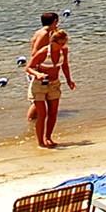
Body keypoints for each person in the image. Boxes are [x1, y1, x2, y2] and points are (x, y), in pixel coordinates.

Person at [25, 11, 76, 150]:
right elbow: (32, 58)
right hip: (39, 79)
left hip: (54, 83)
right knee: (41, 111)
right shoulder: (43, 37)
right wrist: (38, 73)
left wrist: (69, 80)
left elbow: (65, 65)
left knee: (52, 113)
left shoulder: (62, 49)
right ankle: (39, 138)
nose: (63, 46)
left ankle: (47, 137)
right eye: (60, 43)